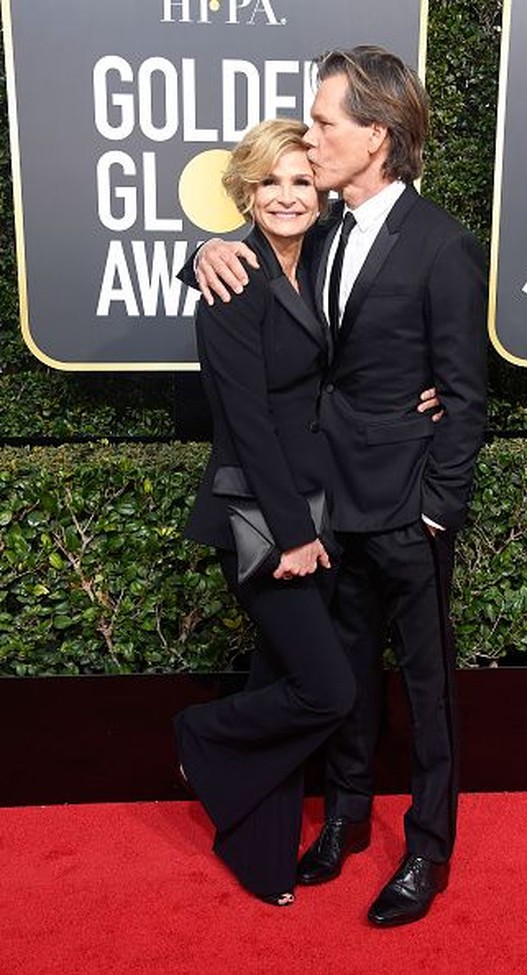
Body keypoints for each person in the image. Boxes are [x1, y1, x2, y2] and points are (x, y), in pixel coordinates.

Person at [190, 46, 487, 927]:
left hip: (406, 510)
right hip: (326, 508)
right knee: (348, 679)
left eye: (324, 123)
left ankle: (428, 847)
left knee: (428, 690)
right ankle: (348, 821)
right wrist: (200, 250)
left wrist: (438, 507)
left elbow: (466, 395)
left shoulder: (443, 247)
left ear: (378, 135)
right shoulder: (315, 233)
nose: (312, 137)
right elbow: (255, 271)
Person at [174, 118, 358, 907]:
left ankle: (261, 858)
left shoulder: (318, 259)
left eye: (300, 180)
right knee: (326, 689)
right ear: (246, 191)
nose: (287, 196)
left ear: (318, 191)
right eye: (270, 182)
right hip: (265, 522)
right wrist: (294, 535)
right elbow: (244, 420)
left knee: (279, 674)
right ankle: (199, 735)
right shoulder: (231, 278)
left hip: (318, 506)